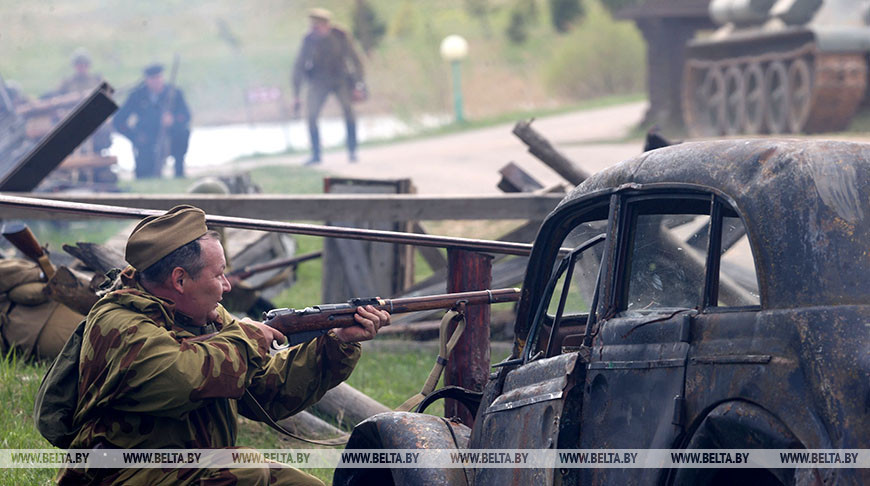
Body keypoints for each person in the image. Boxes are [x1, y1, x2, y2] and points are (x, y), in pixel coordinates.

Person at [57, 205, 390, 485]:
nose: (227, 286)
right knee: (249, 471)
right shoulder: (118, 322)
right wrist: (249, 338)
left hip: (192, 467)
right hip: (121, 473)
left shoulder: (208, 317)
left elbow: (266, 392)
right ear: (179, 280)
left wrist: (336, 344)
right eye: (218, 275)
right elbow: (183, 379)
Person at [292, 7, 366, 165]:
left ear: (326, 24)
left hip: (341, 80)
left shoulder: (340, 35)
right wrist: (296, 94)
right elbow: (299, 66)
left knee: (349, 112)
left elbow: (355, 60)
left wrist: (359, 84)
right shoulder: (308, 40)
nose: (315, 28)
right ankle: (316, 154)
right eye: (313, 25)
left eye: (318, 25)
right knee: (311, 116)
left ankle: (352, 150)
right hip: (318, 81)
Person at [113, 63, 191, 178]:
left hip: (171, 135)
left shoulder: (174, 93)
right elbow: (119, 120)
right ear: (146, 80)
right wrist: (135, 137)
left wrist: (172, 120)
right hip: (147, 138)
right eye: (152, 78)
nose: (156, 81)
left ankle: (179, 171)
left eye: (158, 77)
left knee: (183, 133)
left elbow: (185, 116)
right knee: (144, 173)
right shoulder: (137, 95)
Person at [57, 48, 112, 152]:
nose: (81, 68)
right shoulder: (67, 83)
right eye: (79, 65)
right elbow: (57, 100)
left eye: (84, 64)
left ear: (88, 65)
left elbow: (108, 97)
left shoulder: (97, 80)